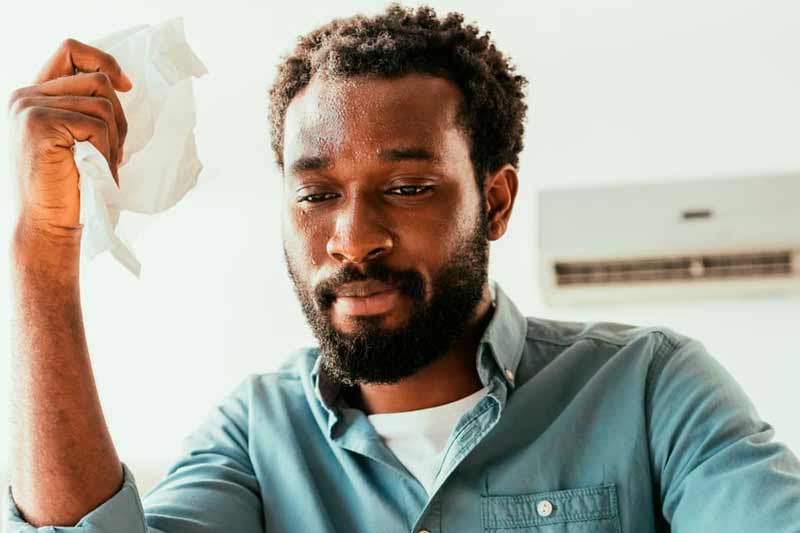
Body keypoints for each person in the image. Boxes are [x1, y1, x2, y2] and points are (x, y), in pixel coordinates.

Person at [5, 5, 799, 532]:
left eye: (408, 187)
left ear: (494, 201)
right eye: (315, 193)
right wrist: (42, 255)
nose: (353, 239)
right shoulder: (253, 435)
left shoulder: (650, 388)